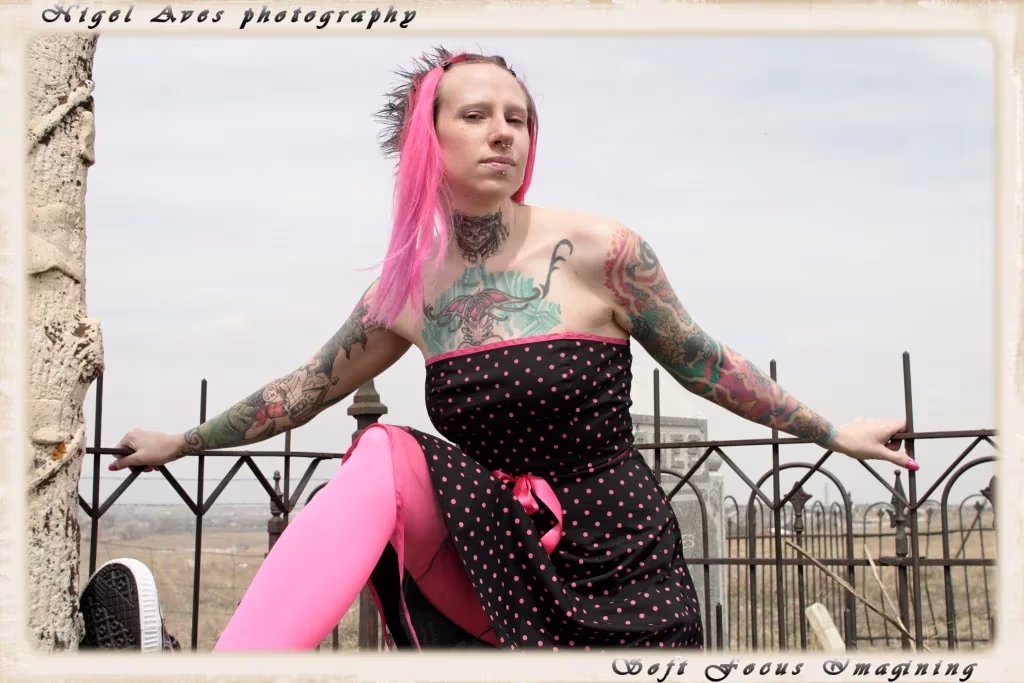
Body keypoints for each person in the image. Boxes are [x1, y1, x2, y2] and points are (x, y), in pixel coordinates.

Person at [106, 47, 918, 652]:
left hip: (621, 556)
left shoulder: (605, 250)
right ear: (428, 139)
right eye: (476, 115)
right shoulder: (409, 289)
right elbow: (305, 388)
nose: (504, 133)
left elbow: (707, 364)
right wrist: (184, 441)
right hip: (497, 549)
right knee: (383, 453)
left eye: (518, 118)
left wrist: (833, 432)